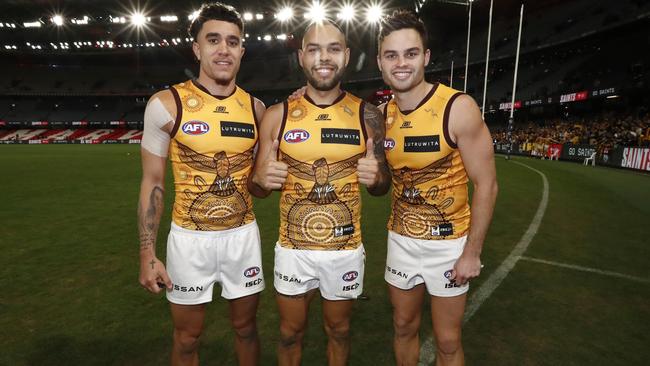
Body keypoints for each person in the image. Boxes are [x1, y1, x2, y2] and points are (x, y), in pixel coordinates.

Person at [248, 19, 391, 366]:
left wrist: (376, 179)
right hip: (294, 249)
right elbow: (257, 189)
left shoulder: (368, 115)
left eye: (332, 49)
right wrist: (260, 179)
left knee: (339, 331)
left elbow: (382, 186)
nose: (323, 57)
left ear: (346, 56)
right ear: (301, 57)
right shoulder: (277, 115)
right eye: (313, 49)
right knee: (288, 333)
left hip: (343, 250)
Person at [137, 3, 266, 365]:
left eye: (232, 41)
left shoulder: (257, 110)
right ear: (197, 48)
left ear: (242, 49)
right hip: (190, 240)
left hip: (243, 237)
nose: (223, 49)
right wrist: (148, 254)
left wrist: (267, 180)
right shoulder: (166, 105)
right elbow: (152, 182)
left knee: (246, 328)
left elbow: (259, 186)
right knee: (188, 337)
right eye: (213, 40)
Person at [377, 10, 498, 366]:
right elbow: (381, 182)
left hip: (449, 246)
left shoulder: (458, 107)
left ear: (426, 57)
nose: (401, 63)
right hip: (400, 239)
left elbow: (487, 184)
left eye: (411, 53)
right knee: (402, 326)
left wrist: (472, 252)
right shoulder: (379, 116)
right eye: (391, 55)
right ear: (380, 62)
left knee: (447, 341)